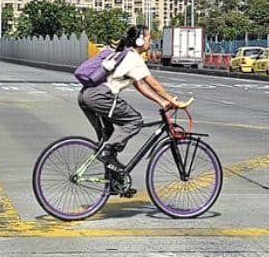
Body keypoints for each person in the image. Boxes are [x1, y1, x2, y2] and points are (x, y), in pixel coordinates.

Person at [77, 25, 188, 192]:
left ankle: (114, 183)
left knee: (108, 138)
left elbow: (140, 85)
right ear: (140, 40)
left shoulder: (123, 54)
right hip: (100, 96)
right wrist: (172, 101)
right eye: (149, 38)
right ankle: (107, 153)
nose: (151, 41)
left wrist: (162, 102)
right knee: (134, 121)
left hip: (86, 96)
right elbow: (153, 84)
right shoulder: (133, 57)